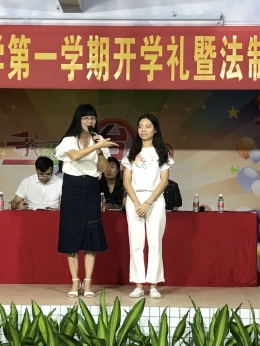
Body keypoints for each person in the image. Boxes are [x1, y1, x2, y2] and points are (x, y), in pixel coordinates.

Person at [54, 104, 117, 298]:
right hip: (71, 187)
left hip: (91, 186)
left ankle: (87, 282)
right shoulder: (69, 140)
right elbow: (74, 156)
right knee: (71, 233)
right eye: (86, 117)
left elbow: (104, 168)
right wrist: (97, 145)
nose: (90, 121)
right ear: (78, 119)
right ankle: (75, 282)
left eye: (92, 118)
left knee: (91, 234)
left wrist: (100, 150)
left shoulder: (98, 140)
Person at [122, 114, 173, 299]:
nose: (143, 130)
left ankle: (153, 285)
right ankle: (138, 285)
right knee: (135, 243)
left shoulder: (162, 153)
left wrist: (149, 202)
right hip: (134, 199)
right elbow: (126, 181)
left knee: (154, 243)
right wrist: (137, 203)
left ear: (155, 129)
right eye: (140, 126)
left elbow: (164, 181)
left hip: (155, 200)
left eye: (148, 126)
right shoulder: (131, 153)